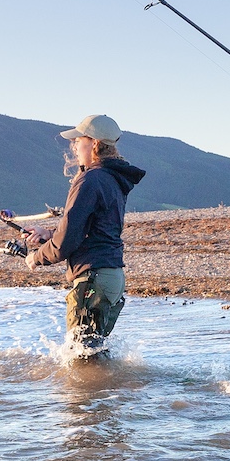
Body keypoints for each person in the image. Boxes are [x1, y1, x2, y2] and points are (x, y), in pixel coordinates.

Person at [25, 114, 146, 358]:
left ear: (94, 143)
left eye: (78, 140)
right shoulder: (112, 178)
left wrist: (36, 258)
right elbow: (92, 229)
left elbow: (66, 242)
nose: (74, 146)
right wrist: (48, 233)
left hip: (94, 279)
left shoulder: (90, 179)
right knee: (94, 360)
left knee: (82, 366)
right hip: (111, 278)